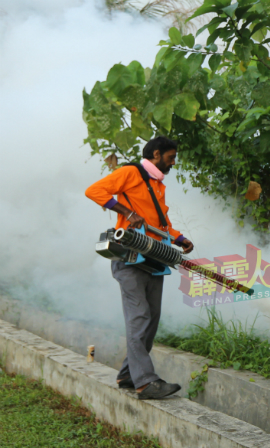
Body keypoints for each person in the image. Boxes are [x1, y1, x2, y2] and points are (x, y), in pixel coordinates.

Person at [85, 136, 194, 400]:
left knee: (151, 321)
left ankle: (127, 375)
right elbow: (94, 191)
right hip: (130, 259)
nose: (173, 162)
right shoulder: (131, 172)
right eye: (171, 157)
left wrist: (179, 238)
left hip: (153, 259)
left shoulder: (157, 183)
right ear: (156, 154)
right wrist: (126, 211)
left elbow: (160, 221)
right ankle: (145, 383)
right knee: (140, 318)